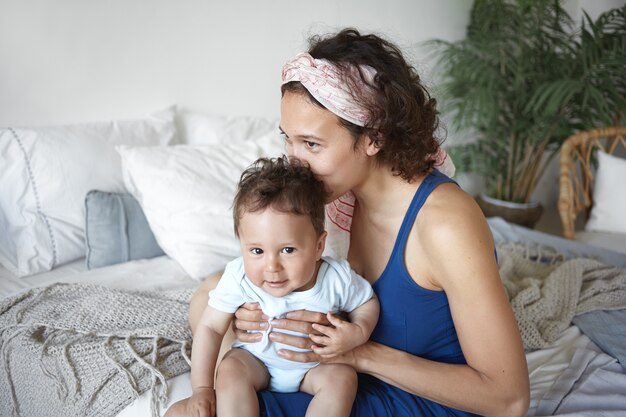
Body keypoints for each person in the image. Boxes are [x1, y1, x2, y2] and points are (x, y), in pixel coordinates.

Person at [181, 28, 530, 417]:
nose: (295, 161)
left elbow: (510, 400)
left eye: (311, 144)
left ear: (373, 138)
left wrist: (360, 352)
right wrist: (256, 315)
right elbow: (318, 289)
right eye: (289, 140)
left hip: (421, 403)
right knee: (208, 304)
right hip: (350, 381)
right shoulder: (341, 201)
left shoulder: (445, 222)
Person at [167, 156, 379, 417]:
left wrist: (358, 331)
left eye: (288, 250)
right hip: (257, 361)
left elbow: (366, 303)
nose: (272, 266)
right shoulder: (239, 277)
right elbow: (210, 327)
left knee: (343, 378)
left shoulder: (336, 278)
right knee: (231, 369)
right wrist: (201, 388)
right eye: (256, 250)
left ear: (318, 246)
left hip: (314, 367)